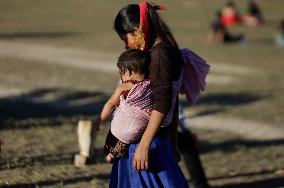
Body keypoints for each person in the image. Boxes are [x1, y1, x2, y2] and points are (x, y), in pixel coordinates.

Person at [111, 1, 209, 187]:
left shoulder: (159, 56)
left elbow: (163, 104)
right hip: (154, 140)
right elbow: (172, 104)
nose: (126, 46)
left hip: (147, 143)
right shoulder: (163, 50)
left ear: (138, 29)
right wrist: (173, 142)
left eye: (126, 40)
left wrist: (144, 145)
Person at [94, 49, 153, 163]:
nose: (121, 77)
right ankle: (112, 155)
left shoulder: (125, 86)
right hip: (137, 133)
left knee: (111, 151)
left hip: (119, 131)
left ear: (127, 72)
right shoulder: (151, 87)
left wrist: (99, 120)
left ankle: (110, 156)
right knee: (124, 143)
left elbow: (111, 103)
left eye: (121, 73)